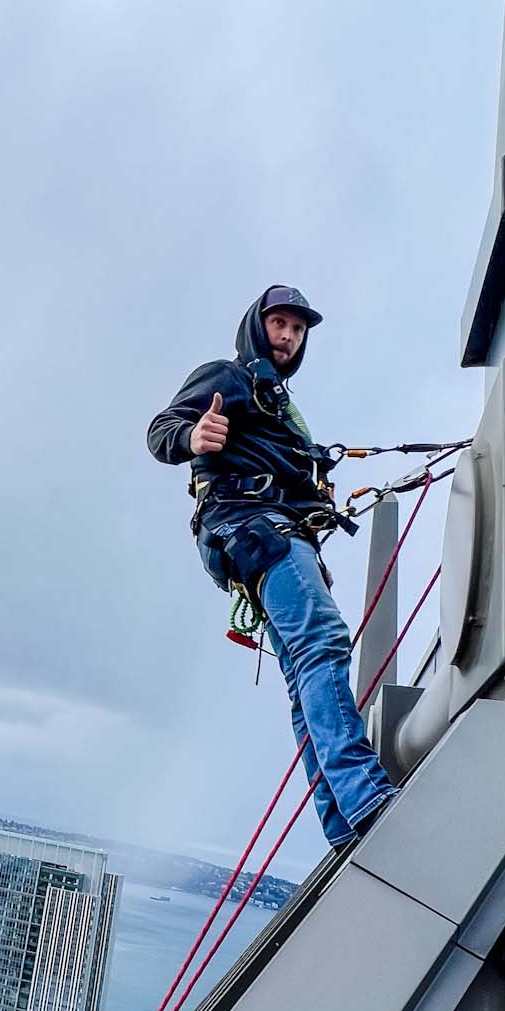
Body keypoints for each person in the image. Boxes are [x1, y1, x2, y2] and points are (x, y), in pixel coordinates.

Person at [147, 285, 399, 849]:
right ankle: (367, 799)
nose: (288, 336)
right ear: (257, 327)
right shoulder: (228, 377)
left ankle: (344, 822)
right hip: (253, 526)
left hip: (271, 533)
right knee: (324, 640)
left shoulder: (279, 405)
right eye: (279, 323)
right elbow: (160, 432)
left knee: (302, 672)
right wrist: (193, 434)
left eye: (298, 329)